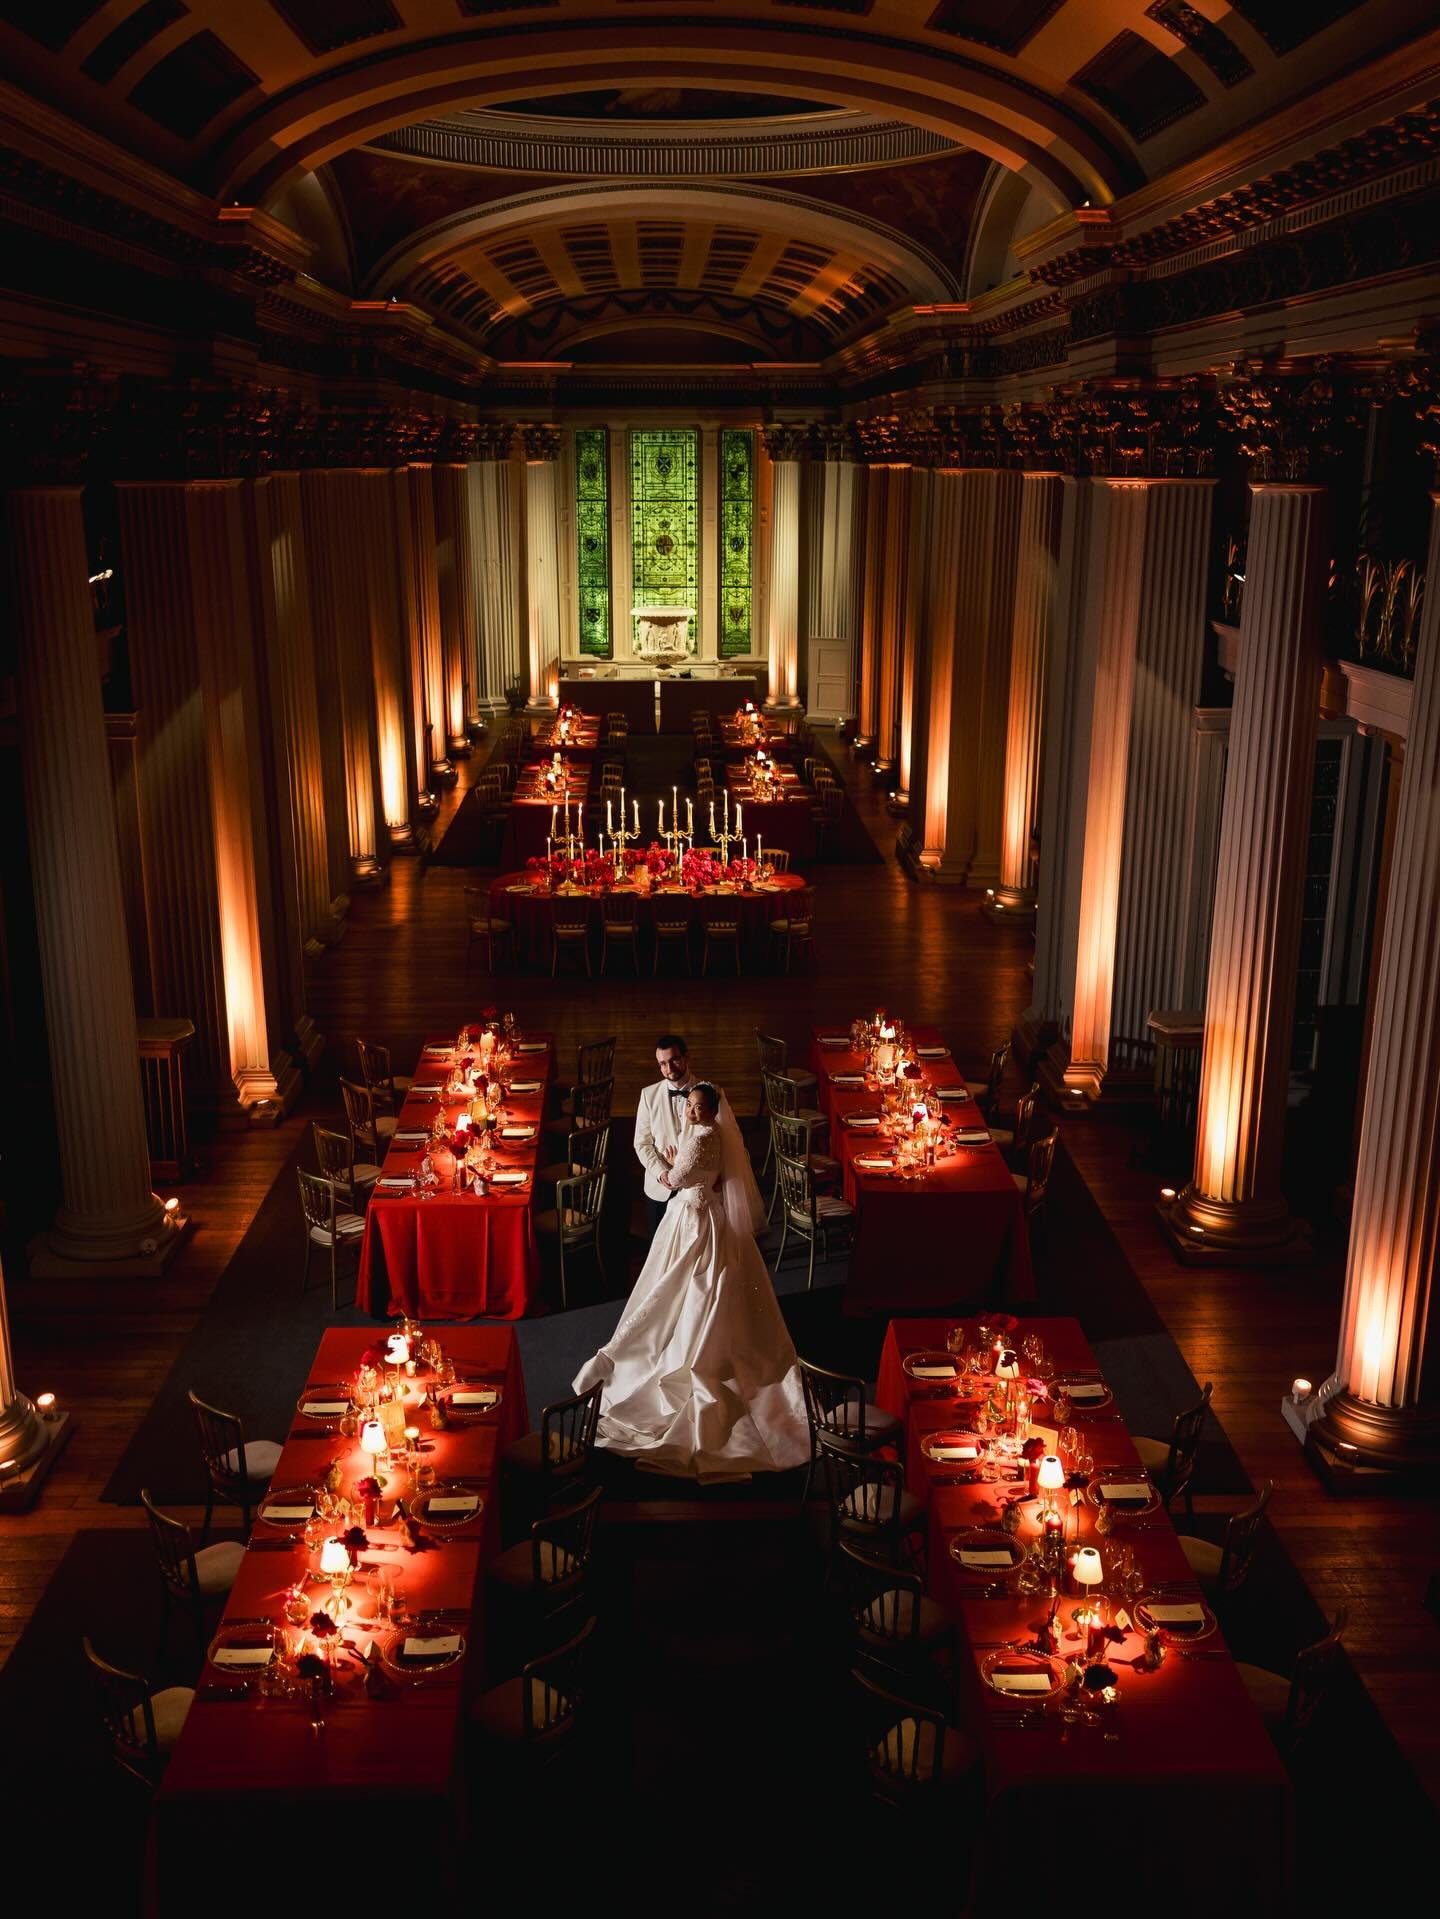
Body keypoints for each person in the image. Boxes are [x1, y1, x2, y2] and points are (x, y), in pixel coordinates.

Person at [575, 1081, 810, 1481]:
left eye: (700, 1107)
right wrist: (678, 1160)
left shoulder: (703, 1136)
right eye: (691, 1106)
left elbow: (679, 1179)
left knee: (686, 1289)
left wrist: (671, 1168)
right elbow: (692, 1169)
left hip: (693, 1221)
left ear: (712, 1109)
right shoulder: (706, 1132)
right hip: (700, 1214)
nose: (693, 1111)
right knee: (684, 1289)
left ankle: (691, 1355)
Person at [634, 1033, 762, 1239]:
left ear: (686, 1058)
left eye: (674, 1060)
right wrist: (661, 1173)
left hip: (701, 1193)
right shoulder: (647, 1095)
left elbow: (731, 1140)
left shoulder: (713, 1093)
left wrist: (722, 1175)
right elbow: (642, 1144)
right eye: (663, 1064)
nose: (669, 1068)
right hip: (660, 1190)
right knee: (660, 1254)